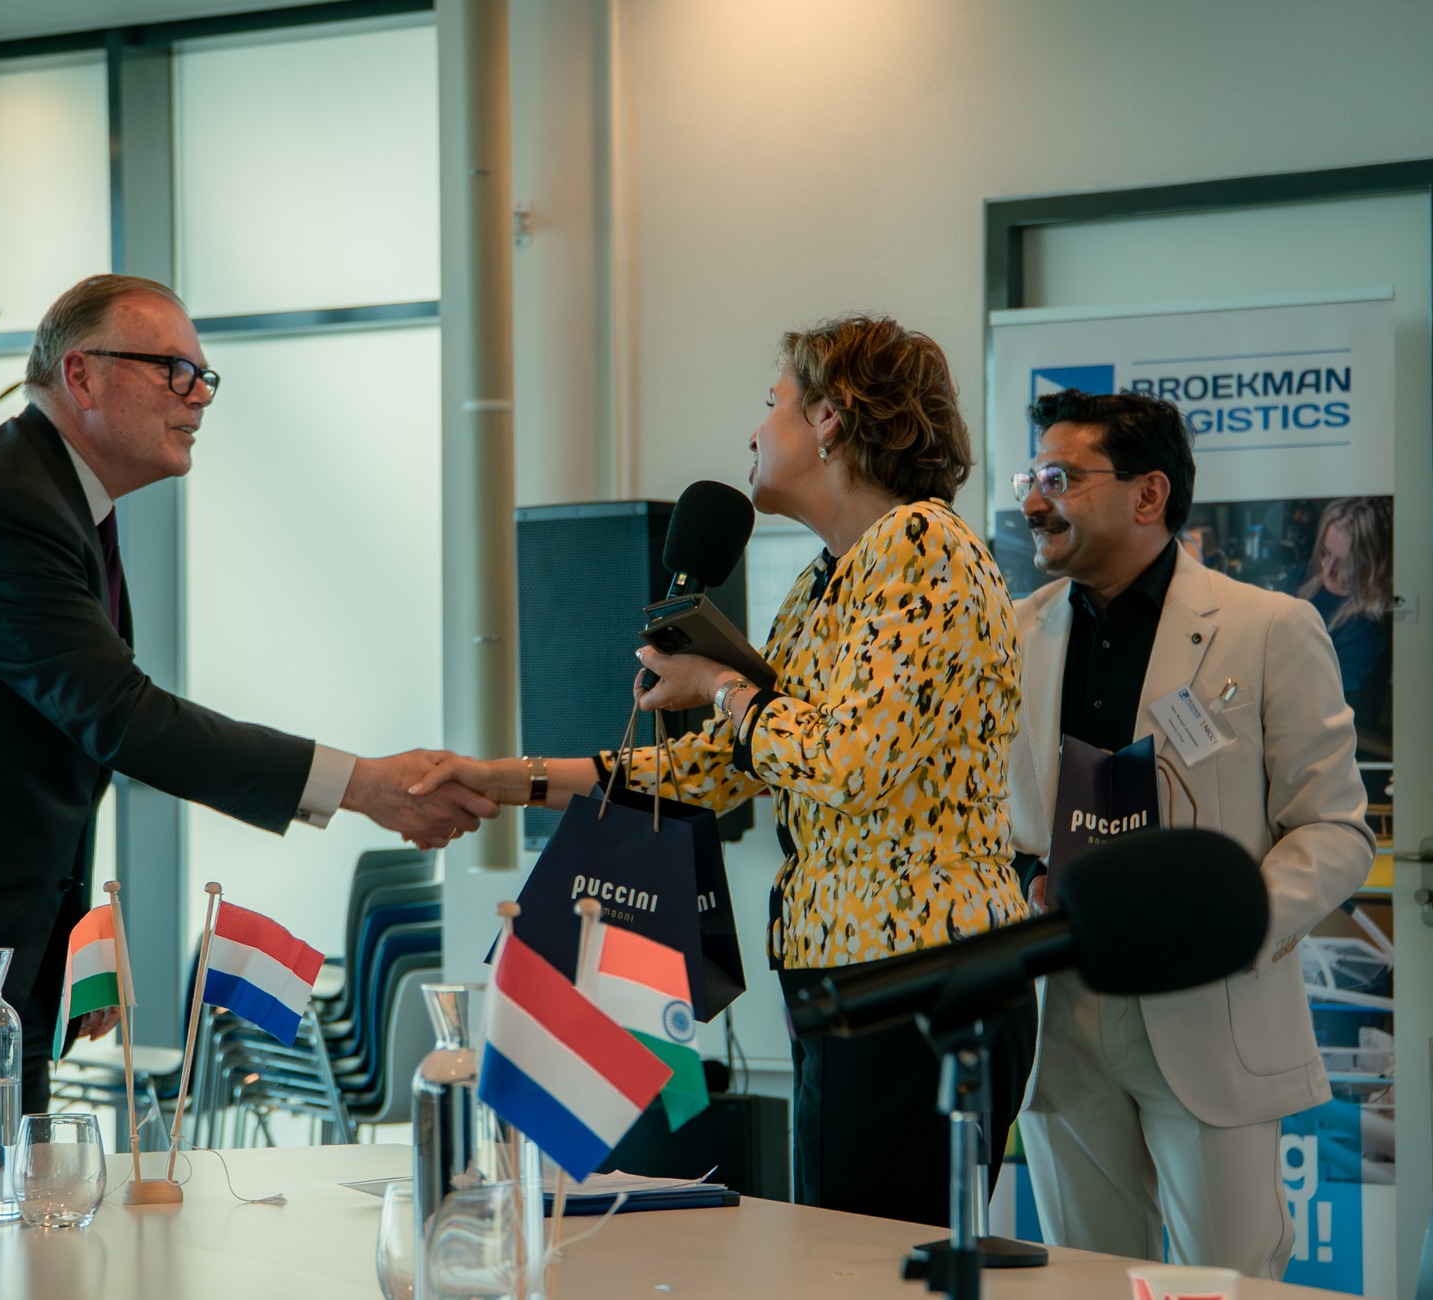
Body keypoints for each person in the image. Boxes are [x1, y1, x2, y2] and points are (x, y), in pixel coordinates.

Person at [0, 274, 497, 1114]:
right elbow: (118, 717)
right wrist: (362, 784)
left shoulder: (59, 502)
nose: (197, 396)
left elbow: (49, 748)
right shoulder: (2, 505)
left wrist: (66, 952)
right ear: (79, 375)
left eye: (204, 377)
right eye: (173, 371)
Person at [414, 314, 1032, 1226]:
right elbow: (720, 766)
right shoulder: (829, 578)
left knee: (875, 1269)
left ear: (831, 417)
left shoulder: (922, 545)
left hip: (920, 975)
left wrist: (721, 685)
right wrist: (515, 780)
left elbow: (844, 761)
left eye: (772, 402)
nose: (754, 431)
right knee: (842, 1260)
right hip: (843, 975)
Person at [1007, 388, 1374, 1278]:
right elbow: (1000, 817)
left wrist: (1225, 923)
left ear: (1149, 494)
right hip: (1062, 1007)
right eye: (1032, 479)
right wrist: (1022, 878)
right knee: (1086, 1279)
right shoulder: (1012, 635)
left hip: (1208, 1002)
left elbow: (1334, 830)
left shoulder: (1267, 628)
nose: (1034, 503)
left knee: (1227, 1282)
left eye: (1061, 479)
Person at [1295, 496, 1394, 757]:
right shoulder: (1302, 578)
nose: (1327, 571)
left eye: (1345, 563)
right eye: (1325, 553)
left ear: (1375, 564)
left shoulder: (1368, 627)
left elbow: (1325, 706)